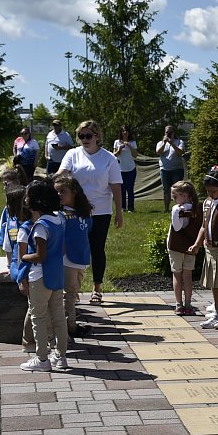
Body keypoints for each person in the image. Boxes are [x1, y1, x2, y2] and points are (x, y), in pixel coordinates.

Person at [57, 120, 123, 305]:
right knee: (71, 248)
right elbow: (62, 174)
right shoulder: (73, 154)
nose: (84, 139)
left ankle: (97, 288)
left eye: (88, 135)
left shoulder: (108, 158)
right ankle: (72, 290)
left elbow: (116, 186)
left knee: (97, 249)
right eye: (81, 136)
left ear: (97, 136)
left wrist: (119, 212)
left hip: (101, 211)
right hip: (76, 210)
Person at [17, 180, 69, 372]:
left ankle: (42, 359)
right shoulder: (60, 219)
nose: (26, 199)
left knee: (38, 316)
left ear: (37, 201)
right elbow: (62, 248)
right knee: (58, 316)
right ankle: (61, 356)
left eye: (28, 195)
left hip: (40, 276)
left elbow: (40, 255)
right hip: (57, 273)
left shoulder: (40, 226)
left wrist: (24, 256)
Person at [189, 167, 218, 329]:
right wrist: (197, 243)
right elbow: (204, 225)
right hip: (209, 248)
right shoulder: (207, 203)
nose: (210, 194)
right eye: (208, 191)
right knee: (215, 282)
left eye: (214, 191)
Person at [54, 176, 94, 338]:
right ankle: (69, 328)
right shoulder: (59, 215)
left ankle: (69, 325)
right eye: (56, 192)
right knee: (68, 295)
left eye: (63, 191)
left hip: (81, 257)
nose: (59, 195)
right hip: (67, 259)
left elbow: (87, 232)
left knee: (73, 293)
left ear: (75, 193)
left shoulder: (84, 213)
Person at [167, 180, 202, 315]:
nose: (173, 199)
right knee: (187, 275)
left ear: (185, 195)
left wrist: (176, 212)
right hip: (190, 245)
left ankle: (179, 304)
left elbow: (176, 227)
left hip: (176, 245)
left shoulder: (177, 209)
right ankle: (188, 304)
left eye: (176, 196)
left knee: (177, 274)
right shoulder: (197, 207)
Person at [156, 125, 187, 213]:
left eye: (170, 132)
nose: (168, 134)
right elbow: (158, 152)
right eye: (167, 132)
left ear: (173, 133)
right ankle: (166, 209)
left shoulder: (179, 142)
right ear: (164, 133)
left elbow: (181, 152)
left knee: (178, 190)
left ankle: (178, 208)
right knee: (166, 190)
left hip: (177, 169)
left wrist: (172, 143)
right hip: (164, 170)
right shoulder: (160, 143)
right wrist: (165, 143)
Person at [113, 126, 138, 212]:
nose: (125, 132)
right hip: (120, 169)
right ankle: (123, 207)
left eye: (126, 131)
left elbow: (135, 155)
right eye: (123, 131)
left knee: (130, 189)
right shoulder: (117, 142)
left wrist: (129, 146)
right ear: (121, 132)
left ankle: (131, 207)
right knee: (122, 190)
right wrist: (119, 149)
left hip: (131, 169)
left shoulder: (133, 142)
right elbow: (114, 155)